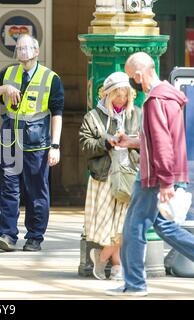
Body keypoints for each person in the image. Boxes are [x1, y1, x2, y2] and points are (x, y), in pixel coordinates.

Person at [106, 52, 194, 296]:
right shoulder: (169, 97)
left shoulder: (154, 100)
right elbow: (156, 140)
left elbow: (162, 143)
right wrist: (131, 142)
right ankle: (131, 283)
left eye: (131, 76)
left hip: (154, 177)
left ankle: (135, 285)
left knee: (133, 228)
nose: (133, 82)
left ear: (139, 74)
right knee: (167, 229)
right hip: (160, 175)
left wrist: (165, 182)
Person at [0, 34, 64, 252]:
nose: (23, 51)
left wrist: (55, 146)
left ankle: (35, 237)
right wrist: (4, 89)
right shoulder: (8, 73)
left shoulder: (50, 78)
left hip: (38, 143)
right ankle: (7, 235)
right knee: (9, 189)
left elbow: (57, 113)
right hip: (11, 142)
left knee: (37, 191)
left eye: (27, 48)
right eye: (19, 48)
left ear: (36, 52)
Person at [79, 72, 140, 280]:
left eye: (125, 96)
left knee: (125, 224)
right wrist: (106, 143)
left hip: (129, 176)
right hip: (104, 177)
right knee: (107, 226)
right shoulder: (93, 117)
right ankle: (117, 266)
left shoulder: (136, 115)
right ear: (108, 94)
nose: (122, 100)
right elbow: (85, 146)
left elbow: (146, 144)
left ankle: (102, 257)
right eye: (118, 96)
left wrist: (131, 143)